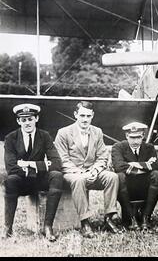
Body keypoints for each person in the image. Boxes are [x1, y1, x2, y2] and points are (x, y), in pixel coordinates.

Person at [54, 101, 122, 238]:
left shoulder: (97, 132)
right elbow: (62, 159)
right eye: (82, 115)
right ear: (75, 115)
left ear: (92, 116)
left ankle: (109, 218)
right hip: (72, 174)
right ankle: (85, 222)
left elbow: (103, 156)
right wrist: (82, 173)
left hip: (93, 172)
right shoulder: (63, 133)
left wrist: (95, 171)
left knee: (112, 177)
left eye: (88, 116)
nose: (85, 119)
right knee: (79, 180)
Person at [2, 104, 63, 241]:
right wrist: (41, 166)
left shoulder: (45, 136)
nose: (27, 123)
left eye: (30, 119)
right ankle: (7, 227)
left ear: (36, 118)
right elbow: (11, 167)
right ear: (18, 121)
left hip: (40, 180)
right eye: (23, 120)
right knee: (10, 180)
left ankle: (48, 227)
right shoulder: (11, 138)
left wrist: (30, 164)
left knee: (57, 176)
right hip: (22, 182)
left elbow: (56, 163)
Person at [111, 122, 158, 231]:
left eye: (138, 137)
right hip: (126, 187)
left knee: (157, 175)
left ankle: (146, 217)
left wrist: (133, 165)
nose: (135, 141)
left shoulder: (149, 147)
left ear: (143, 136)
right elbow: (119, 167)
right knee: (119, 176)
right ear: (126, 136)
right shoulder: (118, 147)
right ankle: (131, 218)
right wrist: (145, 166)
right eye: (132, 137)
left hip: (144, 186)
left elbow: (157, 165)